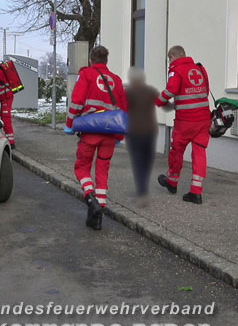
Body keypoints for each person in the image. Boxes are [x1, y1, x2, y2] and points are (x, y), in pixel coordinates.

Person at [65, 45, 127, 230]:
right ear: (106, 61)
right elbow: (124, 110)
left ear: (91, 60)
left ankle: (90, 198)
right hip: (110, 133)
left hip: (90, 131)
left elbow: (76, 101)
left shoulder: (86, 75)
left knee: (82, 167)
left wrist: (70, 124)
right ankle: (98, 214)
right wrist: (119, 135)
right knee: (102, 170)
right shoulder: (116, 79)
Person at [155, 46, 211, 204]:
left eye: (169, 59)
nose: (169, 63)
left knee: (177, 150)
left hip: (185, 121)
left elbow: (170, 90)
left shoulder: (176, 70)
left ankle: (172, 181)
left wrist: (158, 101)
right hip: (204, 119)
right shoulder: (200, 68)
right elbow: (205, 91)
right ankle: (196, 192)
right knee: (199, 152)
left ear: (173, 56)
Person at [125, 67, 160, 206]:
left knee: (138, 162)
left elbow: (122, 107)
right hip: (150, 130)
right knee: (147, 161)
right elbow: (163, 102)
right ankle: (143, 189)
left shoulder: (129, 93)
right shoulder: (151, 91)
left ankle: (142, 192)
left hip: (135, 131)